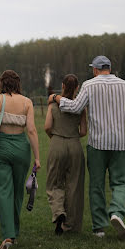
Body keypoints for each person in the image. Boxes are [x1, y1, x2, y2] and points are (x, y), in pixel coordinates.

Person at [49, 55, 125, 240]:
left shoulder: (89, 85)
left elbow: (75, 107)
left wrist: (56, 98)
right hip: (121, 143)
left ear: (95, 69)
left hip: (97, 144)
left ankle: (99, 227)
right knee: (120, 183)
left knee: (96, 185)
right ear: (109, 67)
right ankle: (117, 212)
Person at [0, 70, 41, 249]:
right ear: (18, 83)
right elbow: (32, 131)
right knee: (18, 192)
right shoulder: (27, 102)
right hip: (21, 148)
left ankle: (8, 235)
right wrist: (37, 158)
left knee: (3, 191)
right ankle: (14, 232)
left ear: (2, 83)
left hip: (1, 147)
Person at [44, 74, 87, 235]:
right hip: (75, 145)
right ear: (77, 88)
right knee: (74, 186)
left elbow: (47, 127)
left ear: (62, 86)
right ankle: (70, 226)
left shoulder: (52, 106)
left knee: (54, 183)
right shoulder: (80, 107)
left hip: (57, 143)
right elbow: (83, 131)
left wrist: (55, 137)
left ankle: (58, 212)